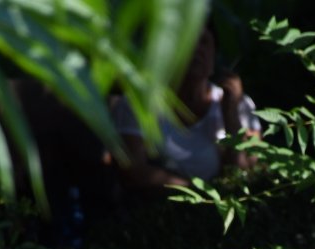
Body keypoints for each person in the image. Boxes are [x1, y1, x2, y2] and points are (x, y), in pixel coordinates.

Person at [111, 24, 260, 190]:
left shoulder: (240, 104)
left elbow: (248, 173)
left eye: (204, 42)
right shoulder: (138, 103)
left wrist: (231, 114)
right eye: (187, 42)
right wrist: (201, 192)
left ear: (214, 56)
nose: (196, 50)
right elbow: (134, 171)